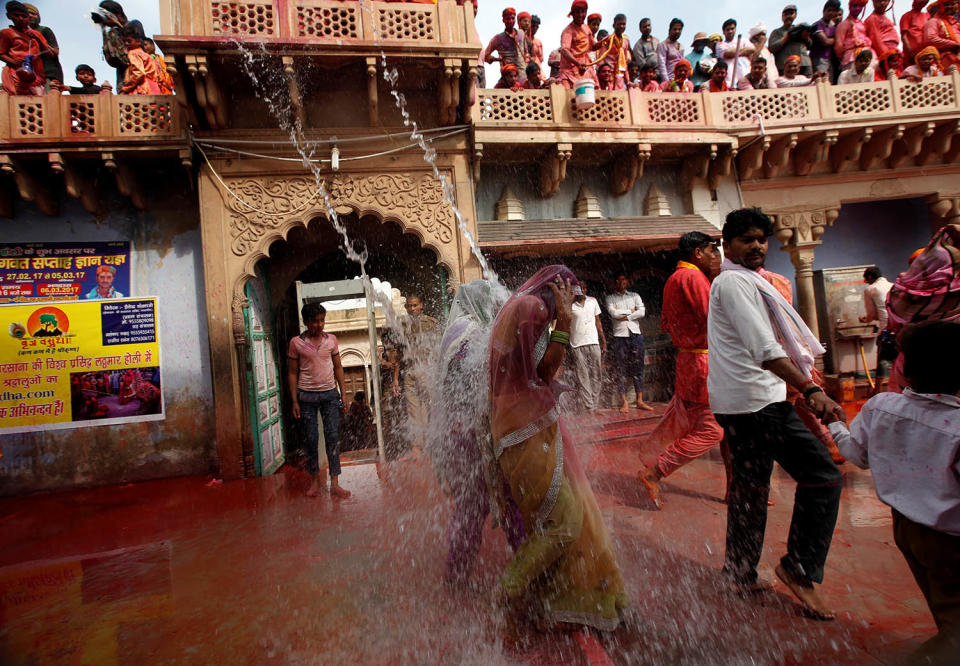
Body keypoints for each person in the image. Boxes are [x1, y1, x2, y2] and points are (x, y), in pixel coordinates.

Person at [708, 207, 844, 621]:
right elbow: (764, 348)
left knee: (750, 489)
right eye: (747, 240)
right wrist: (810, 389)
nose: (756, 247)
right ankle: (799, 568)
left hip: (744, 402)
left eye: (761, 240)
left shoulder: (747, 282)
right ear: (727, 244)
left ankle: (739, 571)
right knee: (823, 476)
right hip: (757, 404)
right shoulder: (734, 284)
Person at [489, 265, 627, 630]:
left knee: (566, 514)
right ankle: (509, 589)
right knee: (563, 522)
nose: (568, 306)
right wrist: (563, 322)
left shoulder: (521, 306)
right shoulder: (532, 309)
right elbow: (544, 372)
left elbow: (523, 372)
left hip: (520, 425)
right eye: (569, 297)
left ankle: (558, 598)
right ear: (557, 290)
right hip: (523, 430)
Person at [824, 320, 960, 664]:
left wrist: (835, 422)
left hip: (907, 530)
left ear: (907, 369)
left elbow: (857, 456)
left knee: (945, 611)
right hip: (950, 541)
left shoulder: (882, 407)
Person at [431, 280, 524, 584]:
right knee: (508, 499)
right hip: (477, 434)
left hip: (459, 433)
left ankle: (457, 573)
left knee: (470, 507)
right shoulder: (472, 335)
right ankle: (528, 569)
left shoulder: (457, 331)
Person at [639, 232, 723, 510]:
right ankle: (656, 470)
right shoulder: (694, 278)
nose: (716, 256)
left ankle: (735, 488)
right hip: (703, 363)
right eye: (712, 250)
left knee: (704, 423)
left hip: (688, 360)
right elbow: (715, 319)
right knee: (713, 431)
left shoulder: (673, 280)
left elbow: (664, 322)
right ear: (698, 253)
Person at [288, 302, 351, 499]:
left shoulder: (331, 340)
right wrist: (295, 401)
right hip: (306, 397)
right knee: (311, 439)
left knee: (332, 438)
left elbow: (338, 367)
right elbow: (291, 372)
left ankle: (335, 483)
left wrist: (344, 393)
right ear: (306, 322)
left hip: (330, 395)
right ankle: (314, 480)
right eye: (315, 321)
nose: (319, 325)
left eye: (322, 320)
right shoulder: (296, 343)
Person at [397, 293, 440, 454]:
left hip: (426, 370)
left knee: (430, 406)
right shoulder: (402, 325)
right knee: (413, 409)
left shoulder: (431, 323)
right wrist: (396, 378)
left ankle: (434, 440)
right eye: (409, 306)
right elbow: (399, 353)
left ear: (421, 305)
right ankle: (417, 445)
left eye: (415, 305)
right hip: (410, 371)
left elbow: (437, 348)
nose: (412, 308)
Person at [606, 273, 653, 413]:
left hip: (635, 335)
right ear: (615, 282)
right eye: (619, 280)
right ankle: (624, 402)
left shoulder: (634, 295)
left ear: (627, 281)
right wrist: (632, 312)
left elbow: (642, 312)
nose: (621, 282)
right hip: (620, 336)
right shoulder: (610, 298)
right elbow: (614, 314)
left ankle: (639, 400)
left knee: (638, 367)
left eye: (624, 279)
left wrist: (626, 315)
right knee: (620, 369)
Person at [0, 1, 52, 96]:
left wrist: (37, 39)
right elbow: (1, 53)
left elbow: (50, 54)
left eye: (24, 16)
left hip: (37, 76)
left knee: (39, 102)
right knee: (19, 100)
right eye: (16, 15)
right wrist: (12, 61)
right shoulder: (6, 33)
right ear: (9, 16)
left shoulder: (36, 34)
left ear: (28, 18)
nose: (20, 19)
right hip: (17, 74)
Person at [568, 283, 605, 412]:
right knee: (583, 376)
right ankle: (589, 406)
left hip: (593, 341)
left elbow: (598, 322)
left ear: (586, 289)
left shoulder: (593, 301)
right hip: (577, 344)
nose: (581, 290)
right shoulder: (570, 305)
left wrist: (603, 341)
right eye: (579, 288)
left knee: (596, 374)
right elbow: (564, 321)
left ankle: (595, 404)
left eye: (583, 288)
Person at [92, 1, 145, 88]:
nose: (106, 22)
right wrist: (104, 29)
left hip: (138, 74)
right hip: (122, 78)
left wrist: (118, 25)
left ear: (117, 15)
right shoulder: (112, 32)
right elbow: (112, 57)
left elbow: (142, 49)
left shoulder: (134, 24)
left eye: (107, 18)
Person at [485, 8, 529, 83]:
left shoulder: (521, 33)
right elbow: (485, 55)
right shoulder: (498, 38)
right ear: (503, 20)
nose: (511, 21)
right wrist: (497, 59)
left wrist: (527, 62)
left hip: (523, 76)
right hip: (509, 78)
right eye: (508, 19)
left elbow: (526, 52)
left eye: (512, 18)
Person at [22, 4, 59, 91]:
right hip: (26, 73)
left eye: (33, 13)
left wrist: (39, 40)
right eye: (27, 13)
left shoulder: (44, 30)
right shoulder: (17, 33)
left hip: (47, 73)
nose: (30, 16)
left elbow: (55, 52)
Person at [118, 27, 163, 94]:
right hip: (154, 89)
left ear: (138, 42)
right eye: (124, 41)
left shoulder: (133, 53)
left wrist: (125, 88)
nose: (126, 44)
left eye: (129, 41)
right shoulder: (146, 55)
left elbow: (139, 73)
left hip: (143, 89)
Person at [771, 5, 813, 74]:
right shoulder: (776, 32)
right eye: (786, 14)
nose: (788, 16)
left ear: (795, 15)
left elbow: (810, 46)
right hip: (785, 66)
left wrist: (806, 37)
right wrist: (786, 38)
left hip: (804, 64)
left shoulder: (801, 29)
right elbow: (772, 48)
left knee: (809, 84)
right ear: (782, 16)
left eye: (791, 13)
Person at [594, 13, 631, 90]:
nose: (621, 26)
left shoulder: (625, 42)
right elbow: (600, 60)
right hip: (608, 76)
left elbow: (624, 63)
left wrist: (628, 81)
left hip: (619, 77)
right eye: (619, 24)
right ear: (614, 25)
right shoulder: (607, 40)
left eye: (623, 24)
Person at [835, 0, 873, 72]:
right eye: (855, 6)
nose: (858, 8)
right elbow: (838, 47)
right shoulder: (843, 24)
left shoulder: (862, 23)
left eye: (860, 6)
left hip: (867, 56)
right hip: (850, 58)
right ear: (849, 7)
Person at [922, 0, 960, 71]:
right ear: (940, 7)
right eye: (946, 4)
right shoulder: (933, 22)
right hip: (946, 59)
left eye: (952, 4)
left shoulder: (956, 24)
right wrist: (954, 44)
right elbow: (930, 39)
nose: (949, 7)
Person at [812, 0, 844, 82]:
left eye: (833, 11)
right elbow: (825, 42)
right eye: (829, 10)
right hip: (819, 59)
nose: (831, 13)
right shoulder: (817, 25)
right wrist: (838, 39)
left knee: (830, 83)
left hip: (831, 60)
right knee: (822, 81)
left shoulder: (834, 26)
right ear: (823, 11)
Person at [717, 18, 753, 86]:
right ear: (723, 32)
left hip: (746, 77)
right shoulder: (720, 45)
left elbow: (752, 49)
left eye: (732, 29)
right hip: (730, 80)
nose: (730, 31)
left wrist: (735, 52)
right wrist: (744, 51)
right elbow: (728, 53)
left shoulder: (743, 40)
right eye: (727, 29)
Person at [749, 23, 780, 88]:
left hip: (773, 77)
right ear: (756, 36)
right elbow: (754, 59)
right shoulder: (751, 46)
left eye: (764, 35)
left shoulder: (765, 48)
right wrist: (761, 43)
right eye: (762, 34)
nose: (764, 37)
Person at [656, 18, 685, 83]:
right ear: (669, 30)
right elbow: (661, 65)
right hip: (669, 80)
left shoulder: (681, 46)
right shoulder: (663, 45)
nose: (677, 31)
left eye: (679, 29)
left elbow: (683, 65)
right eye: (675, 29)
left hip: (681, 80)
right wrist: (667, 82)